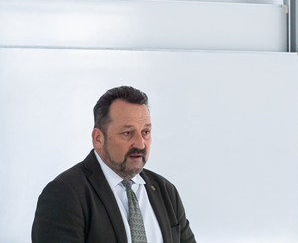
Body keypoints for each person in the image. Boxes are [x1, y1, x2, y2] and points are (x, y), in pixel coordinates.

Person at [32, 86, 196, 243]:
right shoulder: (64, 194)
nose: (140, 144)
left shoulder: (166, 191)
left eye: (145, 132)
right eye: (127, 133)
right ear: (98, 139)